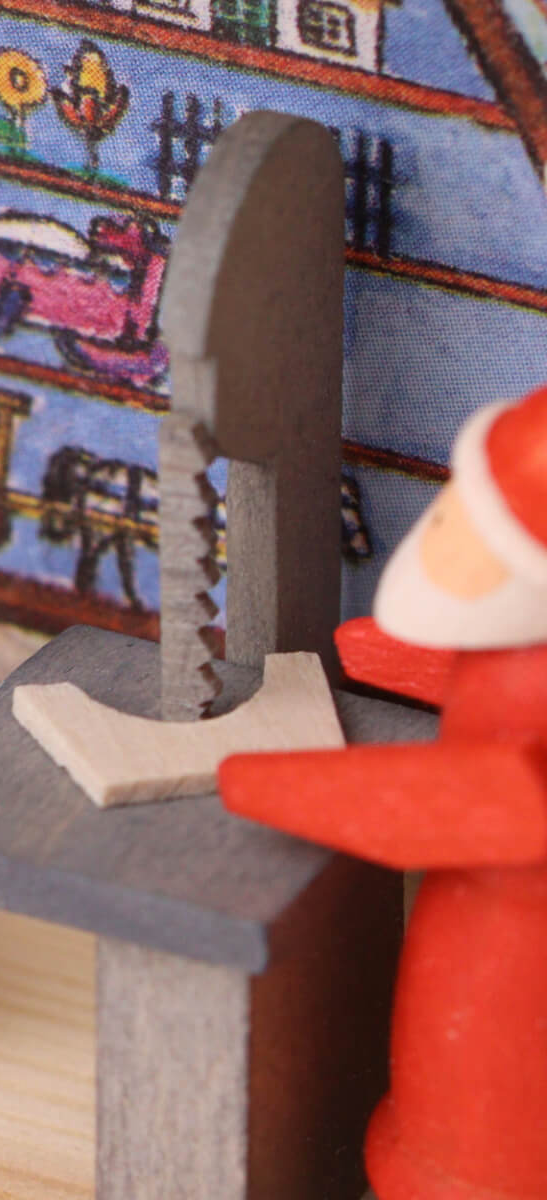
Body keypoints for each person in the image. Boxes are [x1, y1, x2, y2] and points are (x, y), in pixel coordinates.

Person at [219, 384, 547, 1200]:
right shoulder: (517, 645)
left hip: (507, 967)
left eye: (471, 521)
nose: (439, 529)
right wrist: (384, 657)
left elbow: (478, 801)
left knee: (478, 1118)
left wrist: (252, 777)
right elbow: (484, 683)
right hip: (476, 932)